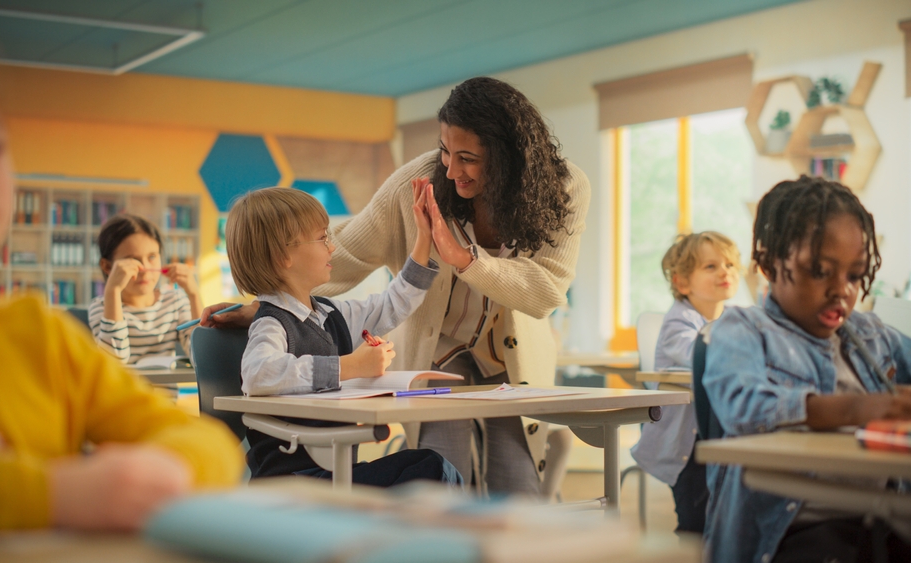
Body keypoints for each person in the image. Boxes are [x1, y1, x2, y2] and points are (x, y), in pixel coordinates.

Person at [0, 35, 243, 538]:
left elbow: (210, 446)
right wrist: (57, 493)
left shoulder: (37, 335)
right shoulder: (74, 321)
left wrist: (150, 476)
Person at [203, 77, 591, 494]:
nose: (450, 168)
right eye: (445, 150)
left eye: (468, 158)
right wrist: (268, 303)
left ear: (508, 158)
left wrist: (464, 259)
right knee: (441, 475)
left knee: (518, 489)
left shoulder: (564, 188)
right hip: (436, 352)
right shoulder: (420, 181)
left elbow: (547, 290)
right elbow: (347, 254)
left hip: (511, 357)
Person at [702, 176, 911, 563]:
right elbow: (743, 407)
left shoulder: (873, 335)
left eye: (854, 275)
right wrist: (858, 408)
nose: (841, 290)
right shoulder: (745, 330)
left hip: (880, 514)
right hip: (791, 530)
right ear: (767, 264)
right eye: (819, 271)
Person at [226, 186, 461, 486]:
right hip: (292, 481)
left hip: (335, 471)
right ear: (283, 255)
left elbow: (391, 304)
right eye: (323, 237)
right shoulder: (271, 324)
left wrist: (423, 241)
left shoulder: (330, 314)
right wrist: (351, 366)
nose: (332, 247)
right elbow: (259, 374)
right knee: (430, 470)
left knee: (430, 468)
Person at [629, 231, 740, 534]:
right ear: (681, 282)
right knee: (696, 523)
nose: (725, 272)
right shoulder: (680, 320)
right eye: (711, 266)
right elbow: (702, 354)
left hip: (715, 437)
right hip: (684, 445)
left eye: (730, 264)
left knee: (724, 519)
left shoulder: (733, 318)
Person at [88, 214, 202, 364]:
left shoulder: (175, 301)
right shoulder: (101, 307)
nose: (145, 269)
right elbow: (114, 362)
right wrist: (112, 290)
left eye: (152, 257)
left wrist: (194, 295)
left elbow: (201, 358)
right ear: (107, 266)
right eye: (133, 260)